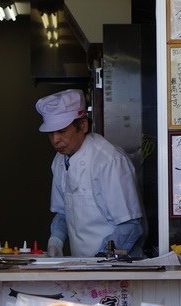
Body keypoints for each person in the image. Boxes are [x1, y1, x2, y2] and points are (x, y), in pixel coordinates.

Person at [37, 89, 144, 258]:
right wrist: (55, 242)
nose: (55, 140)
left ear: (83, 125)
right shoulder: (59, 161)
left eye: (62, 131)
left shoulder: (109, 161)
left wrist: (102, 258)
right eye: (51, 133)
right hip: (82, 264)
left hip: (115, 265)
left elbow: (130, 225)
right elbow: (63, 213)